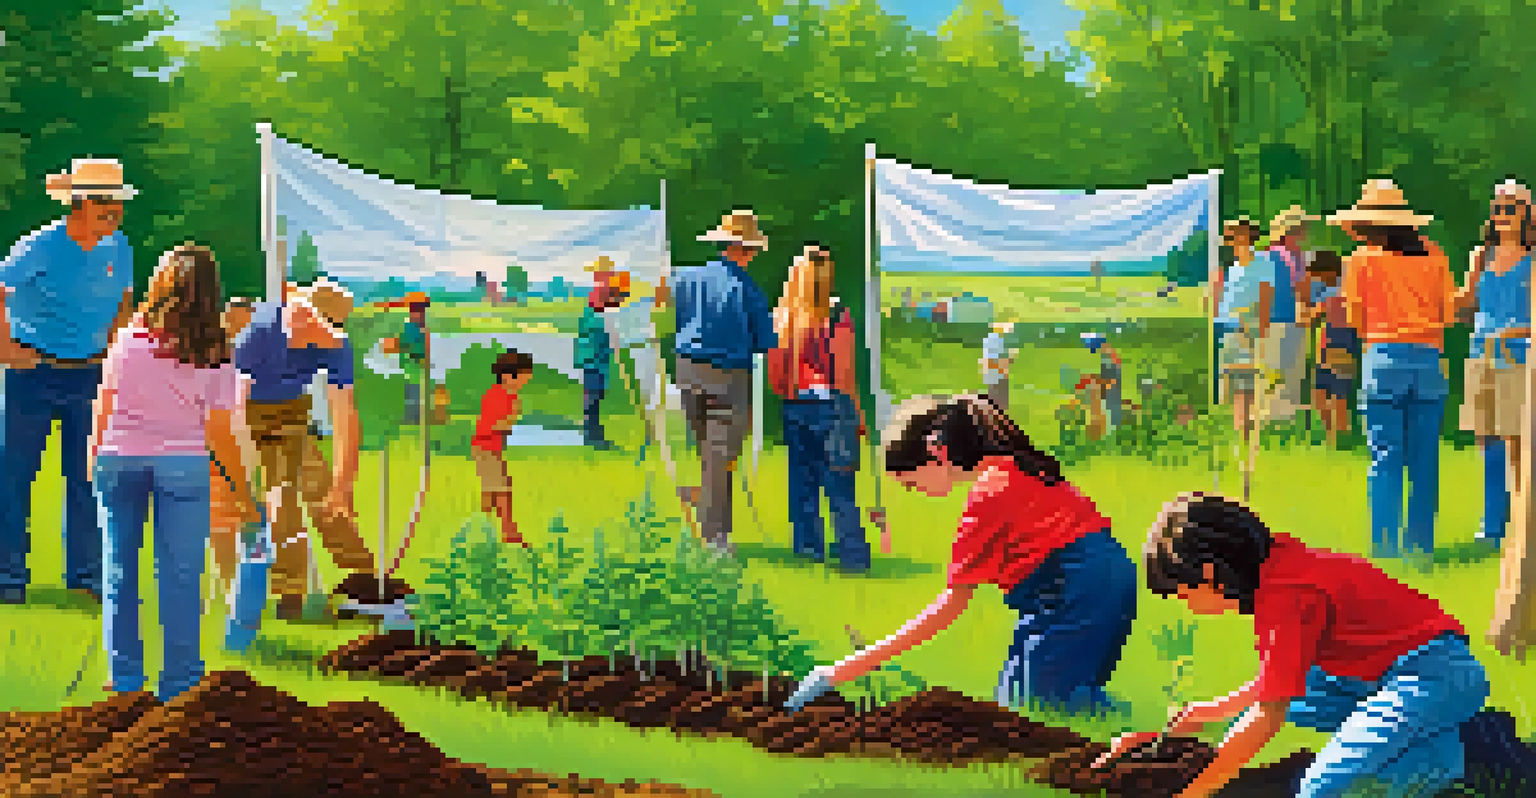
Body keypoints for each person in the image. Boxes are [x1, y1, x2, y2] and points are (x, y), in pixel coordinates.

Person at [1102, 492, 1488, 798]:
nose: (1186, 605)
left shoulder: (1287, 596)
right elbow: (1279, 681)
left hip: (1430, 674)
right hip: (1387, 675)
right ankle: (1447, 754)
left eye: (1183, 593)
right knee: (1248, 719)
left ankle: (1448, 758)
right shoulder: (1278, 566)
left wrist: (1196, 791)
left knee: (1319, 789)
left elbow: (1268, 716)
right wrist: (1209, 714)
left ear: (1210, 574)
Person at [785, 394, 1138, 715]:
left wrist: (838, 672)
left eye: (911, 482)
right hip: (1079, 586)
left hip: (1081, 588)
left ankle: (1150, 741)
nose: (916, 492)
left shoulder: (990, 493)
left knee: (1045, 707)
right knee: (1014, 704)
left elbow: (949, 607)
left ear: (936, 452)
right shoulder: (1009, 469)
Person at [88, 244, 256, 700]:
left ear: (162, 284)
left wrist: (94, 452)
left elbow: (104, 400)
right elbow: (219, 427)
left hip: (118, 459)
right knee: (180, 575)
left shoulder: (128, 336)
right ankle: (179, 684)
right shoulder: (215, 348)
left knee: (120, 570)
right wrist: (242, 489)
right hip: (182, 464)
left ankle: (124, 681)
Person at [233, 277, 375, 619]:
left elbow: (344, 412)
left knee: (323, 492)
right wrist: (243, 469)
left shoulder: (336, 345)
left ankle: (365, 586)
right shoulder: (259, 332)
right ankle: (289, 595)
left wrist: (344, 483)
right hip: (249, 414)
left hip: (294, 411)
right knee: (280, 501)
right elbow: (234, 403)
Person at [1335, 179, 1455, 560]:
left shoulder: (1359, 261)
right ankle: (1420, 548)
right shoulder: (1435, 256)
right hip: (1428, 359)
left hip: (1382, 359)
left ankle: (1384, 549)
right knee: (1424, 459)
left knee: (1385, 458)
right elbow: (1448, 315)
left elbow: (1354, 319)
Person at [673, 210, 778, 556]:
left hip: (687, 372)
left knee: (709, 454)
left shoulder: (685, 278)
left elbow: (661, 307)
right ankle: (715, 539)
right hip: (728, 377)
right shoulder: (749, 291)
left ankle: (709, 527)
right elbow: (765, 343)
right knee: (720, 458)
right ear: (748, 250)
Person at [769, 245, 869, 572]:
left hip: (796, 405)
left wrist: (788, 391)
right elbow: (844, 374)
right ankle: (851, 551)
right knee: (839, 481)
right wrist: (858, 411)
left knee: (803, 481)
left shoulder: (783, 318)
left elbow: (775, 374)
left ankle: (808, 547)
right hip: (832, 405)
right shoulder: (838, 316)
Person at [1453, 180, 1532, 550]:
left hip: (1517, 356)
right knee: (1486, 441)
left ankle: (1520, 523)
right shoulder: (1480, 256)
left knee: (1516, 441)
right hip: (1480, 354)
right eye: (1499, 208)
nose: (1503, 215)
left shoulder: (1533, 261)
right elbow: (1465, 300)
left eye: (1512, 207)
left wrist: (1513, 331)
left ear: (1527, 213)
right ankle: (1491, 524)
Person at [207, 297, 257, 611]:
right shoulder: (213, 359)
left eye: (244, 323)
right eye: (232, 322)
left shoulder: (259, 359)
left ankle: (246, 591)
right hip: (217, 450)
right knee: (222, 525)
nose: (236, 330)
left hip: (253, 448)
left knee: (253, 522)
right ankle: (231, 594)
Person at [1215, 217, 1264, 499]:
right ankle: (1239, 444)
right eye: (1231, 238)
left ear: (1249, 237)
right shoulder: (1232, 269)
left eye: (1238, 237)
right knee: (1235, 391)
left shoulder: (1260, 265)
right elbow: (1225, 305)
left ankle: (1248, 446)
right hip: (1230, 334)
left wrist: (1259, 331)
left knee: (1249, 389)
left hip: (1249, 333)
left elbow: (1265, 300)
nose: (1234, 242)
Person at [1256, 206, 1318, 424]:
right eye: (1302, 228)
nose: (1306, 232)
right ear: (1290, 232)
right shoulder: (1272, 257)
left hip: (1294, 320)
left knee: (1293, 371)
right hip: (1276, 320)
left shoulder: (1299, 257)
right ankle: (1272, 418)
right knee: (1277, 369)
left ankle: (1287, 418)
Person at [472, 350, 533, 546]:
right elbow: (492, 425)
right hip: (486, 446)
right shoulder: (499, 396)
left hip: (489, 447)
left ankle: (484, 531)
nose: (525, 383)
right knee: (502, 490)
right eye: (522, 378)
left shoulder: (505, 395)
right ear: (508, 376)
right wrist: (513, 415)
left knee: (492, 490)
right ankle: (507, 533)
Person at [1304, 251, 1358, 447]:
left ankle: (1338, 438)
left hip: (1336, 342)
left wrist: (1305, 311)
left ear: (1327, 272)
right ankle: (1337, 436)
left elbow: (1312, 316)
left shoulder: (1335, 292)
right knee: (1334, 394)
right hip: (1340, 343)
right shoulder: (1346, 286)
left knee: (1332, 394)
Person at [575, 258, 626, 451]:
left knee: (595, 394)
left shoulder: (602, 292)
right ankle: (593, 437)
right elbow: (601, 322)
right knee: (593, 395)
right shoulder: (599, 293)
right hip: (593, 353)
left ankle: (594, 435)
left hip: (596, 353)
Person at [381, 292, 431, 427]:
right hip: (414, 364)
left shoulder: (414, 328)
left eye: (420, 311)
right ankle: (415, 417)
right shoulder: (418, 328)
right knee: (414, 391)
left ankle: (414, 418)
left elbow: (402, 344)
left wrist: (392, 344)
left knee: (414, 391)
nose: (419, 314)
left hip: (414, 364)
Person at [980, 322, 1013, 412]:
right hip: (996, 375)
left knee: (999, 401)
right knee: (997, 401)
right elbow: (991, 360)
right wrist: (1002, 370)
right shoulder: (993, 340)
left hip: (997, 374)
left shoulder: (997, 340)